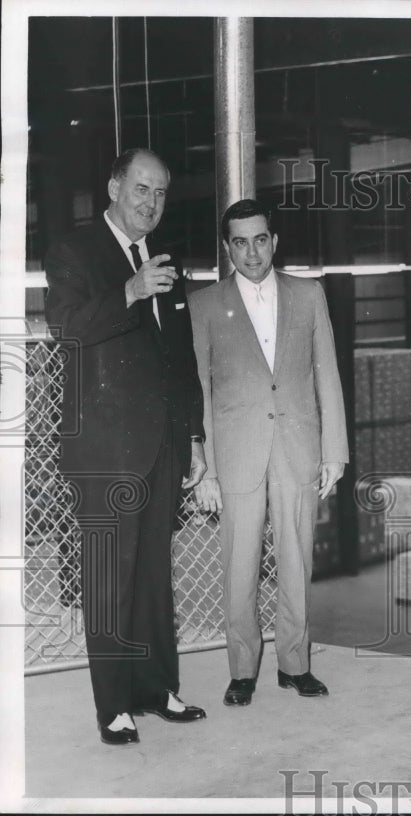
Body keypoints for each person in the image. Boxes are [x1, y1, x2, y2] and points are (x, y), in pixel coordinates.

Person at [44, 147, 208, 746]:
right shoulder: (74, 249)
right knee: (110, 580)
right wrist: (132, 291)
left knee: (153, 577)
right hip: (106, 449)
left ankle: (157, 688)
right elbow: (65, 327)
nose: (152, 203)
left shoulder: (166, 259)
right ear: (115, 187)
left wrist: (194, 437)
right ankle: (113, 706)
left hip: (164, 444)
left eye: (161, 193)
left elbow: (179, 357)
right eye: (142, 189)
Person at [190, 199, 348, 707]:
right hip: (236, 455)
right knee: (239, 564)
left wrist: (335, 451)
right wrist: (207, 469)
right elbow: (200, 394)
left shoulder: (308, 295)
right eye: (240, 241)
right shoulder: (205, 306)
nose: (252, 251)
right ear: (227, 247)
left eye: (260, 239)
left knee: (297, 561)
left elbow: (327, 372)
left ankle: (295, 665)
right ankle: (242, 669)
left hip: (298, 448)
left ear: (274, 241)